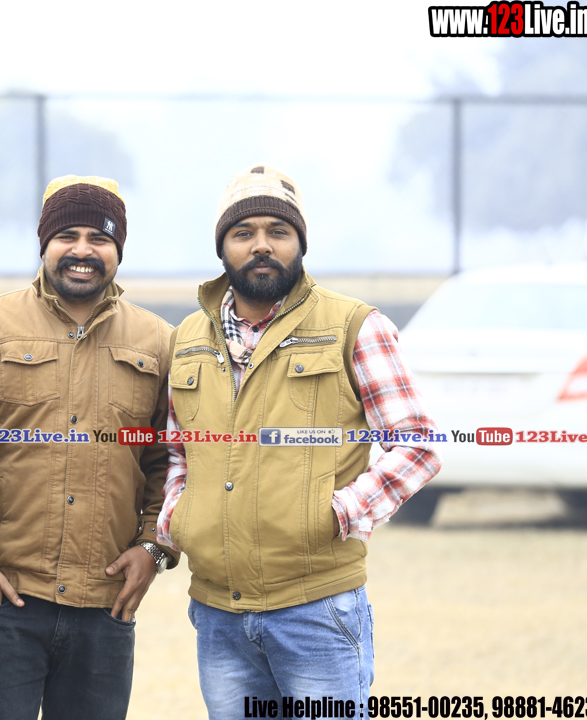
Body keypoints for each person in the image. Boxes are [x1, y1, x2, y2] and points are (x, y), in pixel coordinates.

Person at [159, 164, 442, 716]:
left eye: (278, 231)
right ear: (222, 248)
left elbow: (417, 444)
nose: (261, 245)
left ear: (300, 243)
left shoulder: (355, 326)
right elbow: (177, 452)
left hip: (317, 611)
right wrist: (179, 515)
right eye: (243, 233)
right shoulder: (187, 339)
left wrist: (337, 512)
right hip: (217, 615)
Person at [0, 175, 177, 720]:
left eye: (100, 238)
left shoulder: (160, 343)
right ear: (44, 243)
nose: (82, 250)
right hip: (4, 597)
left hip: (106, 603)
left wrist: (154, 548)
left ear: (119, 250)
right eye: (67, 235)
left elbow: (171, 461)